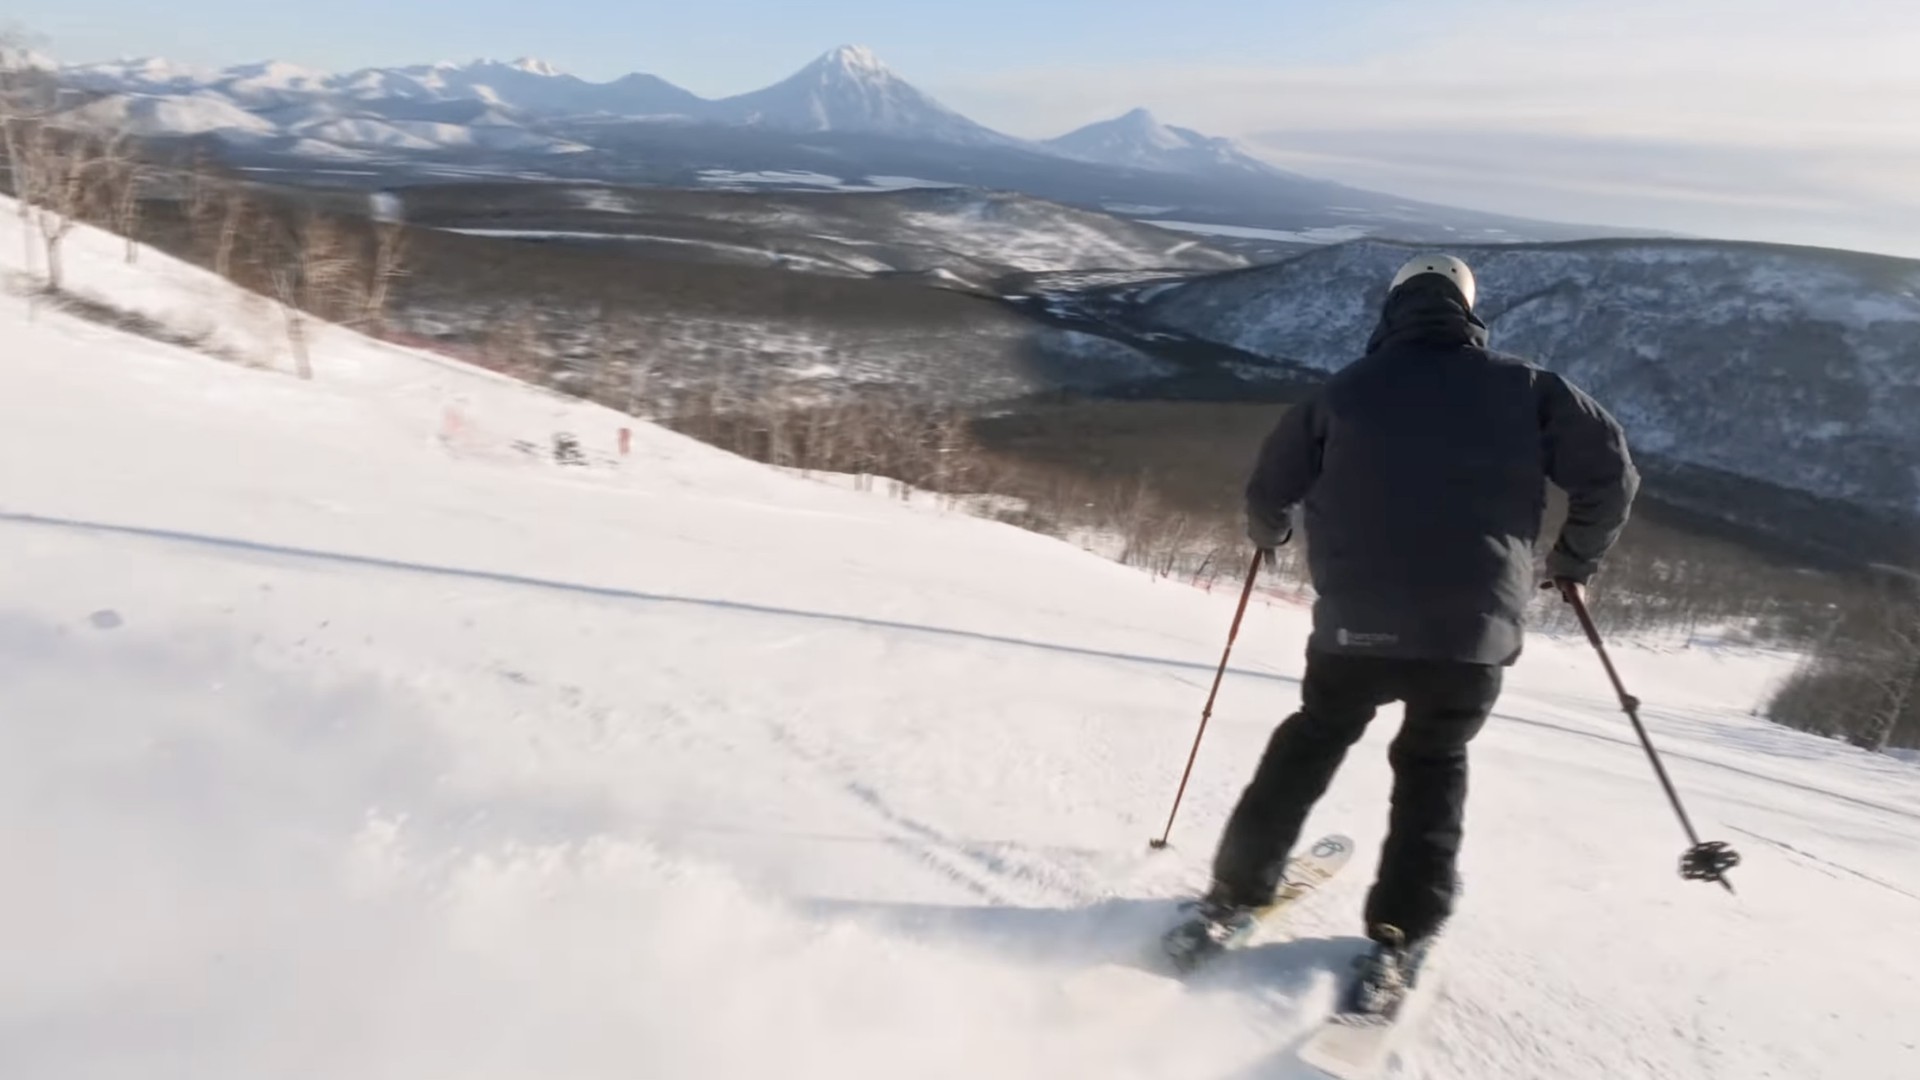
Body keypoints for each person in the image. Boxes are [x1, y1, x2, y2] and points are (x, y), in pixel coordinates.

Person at [1202, 254, 1640, 1010]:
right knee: (1434, 762)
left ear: (1392, 311)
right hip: (1470, 637)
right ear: (1468, 312)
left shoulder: (1344, 391)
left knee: (1313, 737)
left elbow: (1270, 487)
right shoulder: (1530, 388)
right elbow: (1612, 474)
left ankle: (1235, 892)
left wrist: (1266, 533)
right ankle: (1402, 929)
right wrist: (1574, 560)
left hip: (1354, 627)